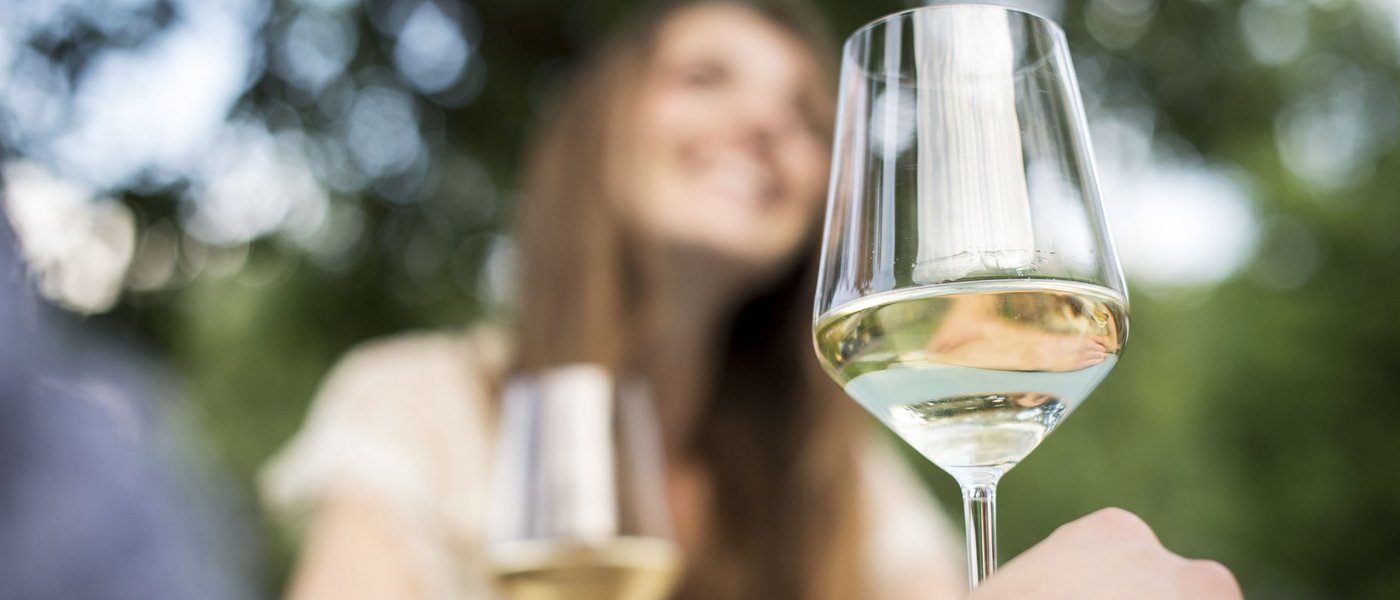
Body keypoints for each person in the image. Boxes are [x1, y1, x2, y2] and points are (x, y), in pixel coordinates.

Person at [260, 2, 1242, 599]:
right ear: (599, 132)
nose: (761, 124)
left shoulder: (837, 469)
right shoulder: (416, 403)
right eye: (703, 78)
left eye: (807, 117)